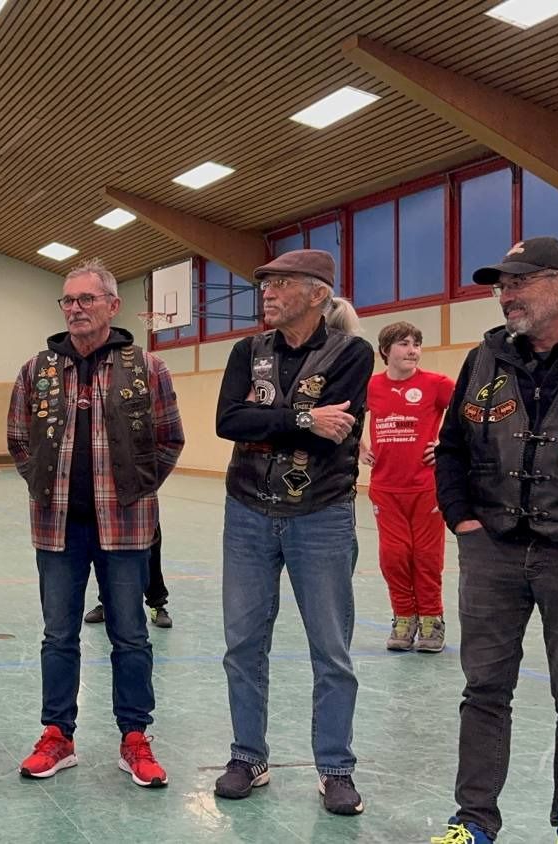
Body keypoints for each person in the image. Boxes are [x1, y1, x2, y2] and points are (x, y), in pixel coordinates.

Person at [430, 237, 558, 844]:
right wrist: (463, 520)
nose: (506, 295)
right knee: (484, 689)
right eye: (501, 285)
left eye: (519, 282)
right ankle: (474, 819)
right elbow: (451, 447)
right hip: (493, 550)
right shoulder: (485, 359)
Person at [7, 258, 185, 785]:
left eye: (86, 299)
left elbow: (169, 438)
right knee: (58, 636)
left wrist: (137, 488)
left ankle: (135, 737)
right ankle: (57, 736)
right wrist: (42, 484)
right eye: (68, 300)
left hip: (125, 527)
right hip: (56, 527)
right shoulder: (36, 370)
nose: (75, 308)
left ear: (113, 305)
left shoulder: (148, 369)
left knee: (130, 635)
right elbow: (18, 439)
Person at [212, 249, 372, 816]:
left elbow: (338, 429)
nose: (268, 292)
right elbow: (228, 421)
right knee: (243, 644)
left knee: (330, 648)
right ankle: (247, 757)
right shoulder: (246, 351)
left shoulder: (352, 353)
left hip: (321, 514)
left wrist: (270, 424)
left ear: (317, 294)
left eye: (281, 283)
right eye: (266, 284)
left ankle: (335, 768)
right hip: (247, 511)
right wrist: (303, 419)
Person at [359, 321, 452, 653]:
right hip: (386, 488)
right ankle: (403, 617)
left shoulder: (436, 384)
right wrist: (359, 447)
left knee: (427, 556)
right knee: (394, 556)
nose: (412, 350)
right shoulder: (370, 386)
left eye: (416, 344)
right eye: (404, 344)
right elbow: (349, 416)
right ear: (386, 351)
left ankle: (431, 620)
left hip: (426, 487)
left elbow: (470, 413)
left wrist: (445, 445)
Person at [84, 526, 171, 628]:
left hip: (141, 520)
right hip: (109, 520)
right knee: (109, 558)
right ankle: (107, 605)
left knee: (150, 558)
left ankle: (157, 606)